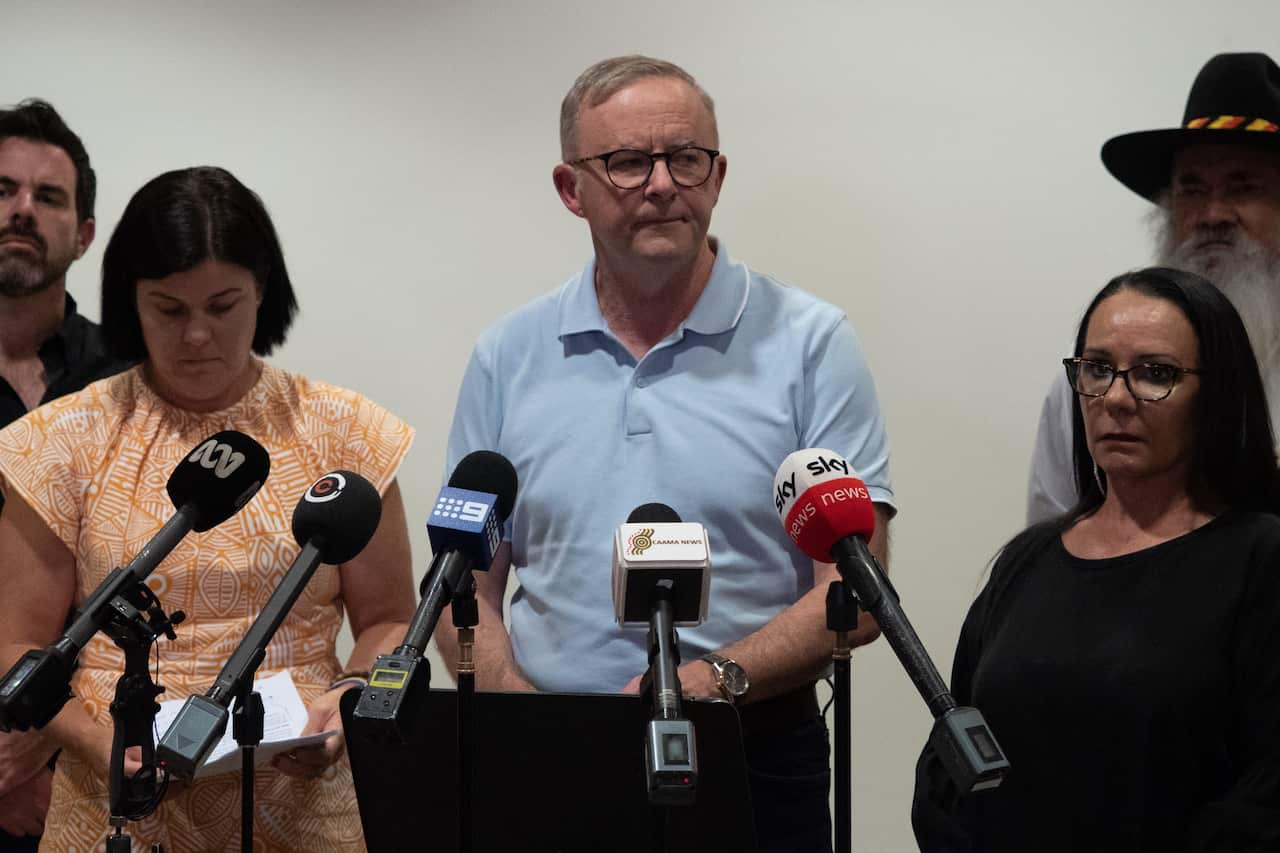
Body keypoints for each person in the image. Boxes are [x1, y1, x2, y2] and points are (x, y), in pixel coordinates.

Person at [439, 55, 894, 852]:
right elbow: (461, 581)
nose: (661, 184)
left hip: (750, 745)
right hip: (548, 743)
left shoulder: (810, 342)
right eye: (626, 162)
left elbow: (853, 593)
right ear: (569, 188)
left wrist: (708, 682)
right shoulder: (507, 355)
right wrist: (512, 699)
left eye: (686, 159)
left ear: (717, 178)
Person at [0, 166, 416, 852]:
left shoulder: (346, 432)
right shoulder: (61, 442)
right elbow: (21, 645)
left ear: (264, 295)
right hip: (113, 787)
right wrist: (103, 743)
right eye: (169, 309)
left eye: (223, 305)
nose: (197, 335)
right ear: (130, 301)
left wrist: (343, 702)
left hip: (295, 790)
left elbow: (389, 618)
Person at [915, 268, 1280, 851]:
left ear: (1217, 393)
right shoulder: (1028, 560)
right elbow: (951, 754)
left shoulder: (1259, 558)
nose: (1115, 399)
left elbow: (1267, 791)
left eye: (1155, 374)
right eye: (1097, 369)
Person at [1027, 52, 1280, 523]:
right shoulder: (1097, 372)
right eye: (1192, 188)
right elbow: (1056, 541)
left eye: (1243, 187)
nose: (1213, 214)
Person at [0, 99, 131, 852]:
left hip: (81, 767)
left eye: (47, 197)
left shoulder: (131, 379)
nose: (22, 210)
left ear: (83, 234)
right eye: (4, 189)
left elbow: (151, 573)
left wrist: (43, 742)